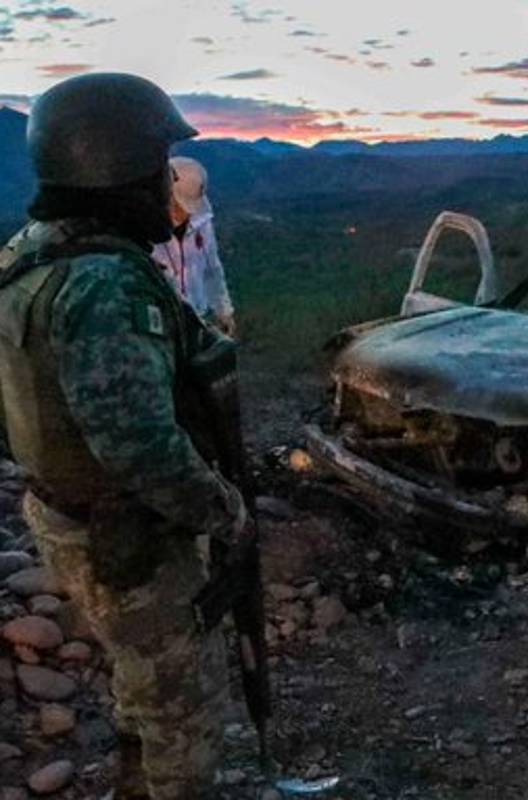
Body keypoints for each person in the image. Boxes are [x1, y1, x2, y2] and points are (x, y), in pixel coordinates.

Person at [0, 73, 247, 799]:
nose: (165, 183)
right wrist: (224, 510)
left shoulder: (30, 253)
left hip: (68, 513)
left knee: (144, 685)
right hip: (126, 534)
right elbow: (139, 447)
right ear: (115, 170)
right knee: (185, 717)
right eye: (157, 166)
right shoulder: (105, 283)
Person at [153, 155, 236, 337]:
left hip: (198, 318)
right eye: (176, 205)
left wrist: (223, 310)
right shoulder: (146, 229)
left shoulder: (202, 222)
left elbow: (212, 268)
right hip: (163, 323)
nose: (182, 213)